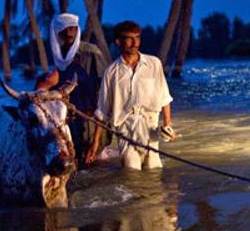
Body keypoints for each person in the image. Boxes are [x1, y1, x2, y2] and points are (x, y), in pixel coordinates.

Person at [86, 20, 177, 170]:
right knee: (131, 170)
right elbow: (102, 112)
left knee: (154, 170)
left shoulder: (154, 64)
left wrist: (168, 125)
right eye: (129, 38)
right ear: (118, 41)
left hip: (150, 126)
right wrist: (95, 144)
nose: (135, 42)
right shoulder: (111, 72)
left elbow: (164, 97)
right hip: (125, 130)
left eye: (137, 37)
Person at [37, 13, 108, 166]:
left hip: (90, 122)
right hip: (69, 124)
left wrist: (96, 137)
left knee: (94, 170)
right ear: (58, 33)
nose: (69, 32)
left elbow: (104, 92)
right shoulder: (59, 57)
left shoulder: (91, 53)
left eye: (72, 28)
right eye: (64, 29)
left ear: (77, 30)